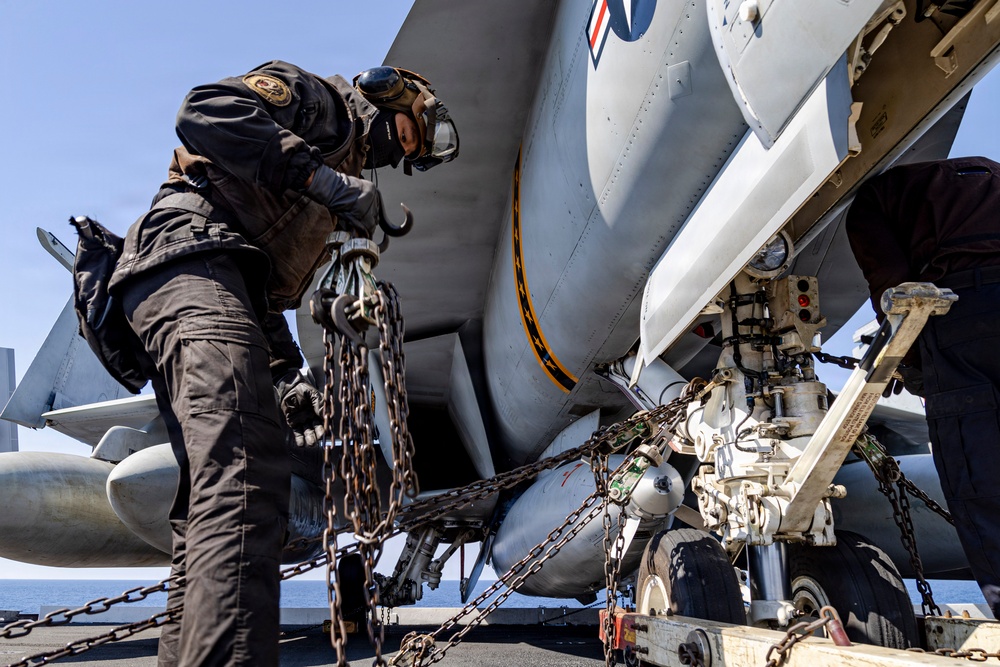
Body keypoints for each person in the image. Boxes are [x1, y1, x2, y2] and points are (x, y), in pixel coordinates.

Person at [106, 61, 458, 666]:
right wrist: (330, 185)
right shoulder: (323, 105)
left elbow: (258, 282)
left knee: (210, 504)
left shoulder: (330, 176)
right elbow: (204, 113)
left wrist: (287, 368)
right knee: (244, 475)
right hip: (189, 261)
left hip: (213, 279)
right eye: (404, 136)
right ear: (387, 98)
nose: (394, 155)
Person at [845, 156, 1000, 620]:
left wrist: (914, 366)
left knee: (980, 478)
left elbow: (895, 289)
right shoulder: (992, 173)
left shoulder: (875, 197)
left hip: (961, 319)